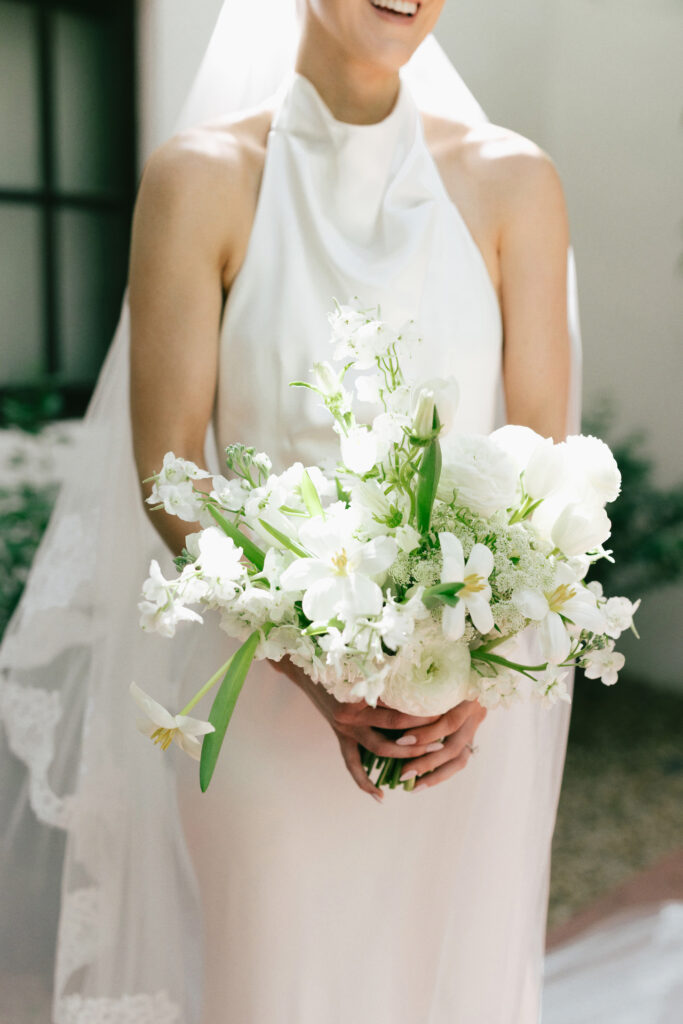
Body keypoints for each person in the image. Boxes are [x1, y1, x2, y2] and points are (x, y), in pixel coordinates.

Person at [0, 2, 577, 1021]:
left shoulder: (511, 181)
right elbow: (171, 465)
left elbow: (545, 463)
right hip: (264, 699)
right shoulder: (200, 178)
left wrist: (476, 678)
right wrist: (317, 660)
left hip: (455, 718)